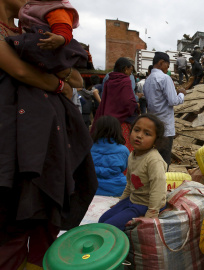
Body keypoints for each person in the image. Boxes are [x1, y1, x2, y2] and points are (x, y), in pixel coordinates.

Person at [0, 2, 97, 269]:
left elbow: (76, 79)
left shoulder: (30, 29)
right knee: (14, 217)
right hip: (14, 138)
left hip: (50, 138)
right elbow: (18, 70)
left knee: (47, 209)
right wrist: (58, 83)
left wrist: (61, 73)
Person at [99, 114, 168, 231]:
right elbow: (129, 184)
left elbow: (158, 190)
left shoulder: (153, 160)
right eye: (136, 130)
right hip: (133, 199)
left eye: (147, 134)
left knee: (108, 227)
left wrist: (151, 214)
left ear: (155, 141)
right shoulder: (132, 155)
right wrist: (120, 203)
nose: (139, 135)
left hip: (146, 205)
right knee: (102, 220)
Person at [6, 0, 88, 76]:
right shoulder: (36, 4)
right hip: (35, 37)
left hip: (48, 41)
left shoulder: (56, 9)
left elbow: (63, 28)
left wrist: (60, 38)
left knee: (19, 45)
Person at [143, 52, 186, 167]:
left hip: (152, 125)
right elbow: (173, 101)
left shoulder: (148, 80)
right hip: (165, 127)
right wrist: (181, 94)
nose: (168, 68)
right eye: (167, 65)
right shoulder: (164, 78)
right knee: (163, 161)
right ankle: (162, 183)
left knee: (153, 159)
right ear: (161, 63)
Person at [92, 57, 138, 152]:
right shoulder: (126, 80)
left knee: (108, 147)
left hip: (108, 120)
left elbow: (105, 99)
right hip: (122, 122)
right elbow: (128, 102)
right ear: (125, 69)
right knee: (123, 148)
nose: (130, 73)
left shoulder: (109, 80)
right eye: (130, 70)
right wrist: (135, 105)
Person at [91, 115, 130, 197]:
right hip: (117, 188)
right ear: (118, 130)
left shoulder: (89, 147)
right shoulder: (123, 150)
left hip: (91, 186)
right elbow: (125, 167)